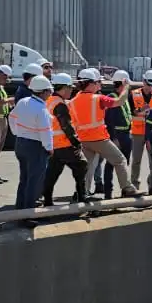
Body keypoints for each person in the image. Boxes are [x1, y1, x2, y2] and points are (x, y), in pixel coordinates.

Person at [72, 68, 138, 200]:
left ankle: (82, 193)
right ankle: (127, 188)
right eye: (98, 82)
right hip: (99, 138)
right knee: (120, 160)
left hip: (83, 140)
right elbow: (119, 101)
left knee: (87, 167)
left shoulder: (74, 100)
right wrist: (126, 88)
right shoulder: (98, 98)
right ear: (90, 83)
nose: (100, 84)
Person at [41, 73, 89, 206]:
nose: (71, 91)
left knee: (53, 173)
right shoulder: (60, 104)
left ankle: (47, 200)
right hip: (63, 144)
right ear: (64, 88)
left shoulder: (49, 100)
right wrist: (76, 142)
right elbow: (66, 125)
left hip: (52, 144)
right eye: (70, 88)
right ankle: (81, 195)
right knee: (82, 165)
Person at [8, 75, 55, 209]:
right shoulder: (41, 109)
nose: (50, 94)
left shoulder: (23, 102)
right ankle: (29, 211)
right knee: (34, 181)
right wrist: (49, 147)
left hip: (20, 143)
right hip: (35, 147)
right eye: (49, 91)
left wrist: (17, 132)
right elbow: (45, 131)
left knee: (24, 178)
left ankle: (20, 208)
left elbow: (11, 117)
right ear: (43, 92)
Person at [100, 69, 136, 197]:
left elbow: (128, 114)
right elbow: (109, 120)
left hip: (126, 134)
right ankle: (108, 192)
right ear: (122, 84)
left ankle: (125, 190)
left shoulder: (124, 98)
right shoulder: (112, 97)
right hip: (117, 135)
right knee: (111, 164)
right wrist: (113, 138)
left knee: (124, 163)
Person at [129, 69, 152, 188]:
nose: (149, 87)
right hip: (137, 133)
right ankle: (134, 183)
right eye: (148, 84)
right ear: (143, 81)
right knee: (136, 160)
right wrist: (140, 110)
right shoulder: (133, 94)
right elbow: (130, 112)